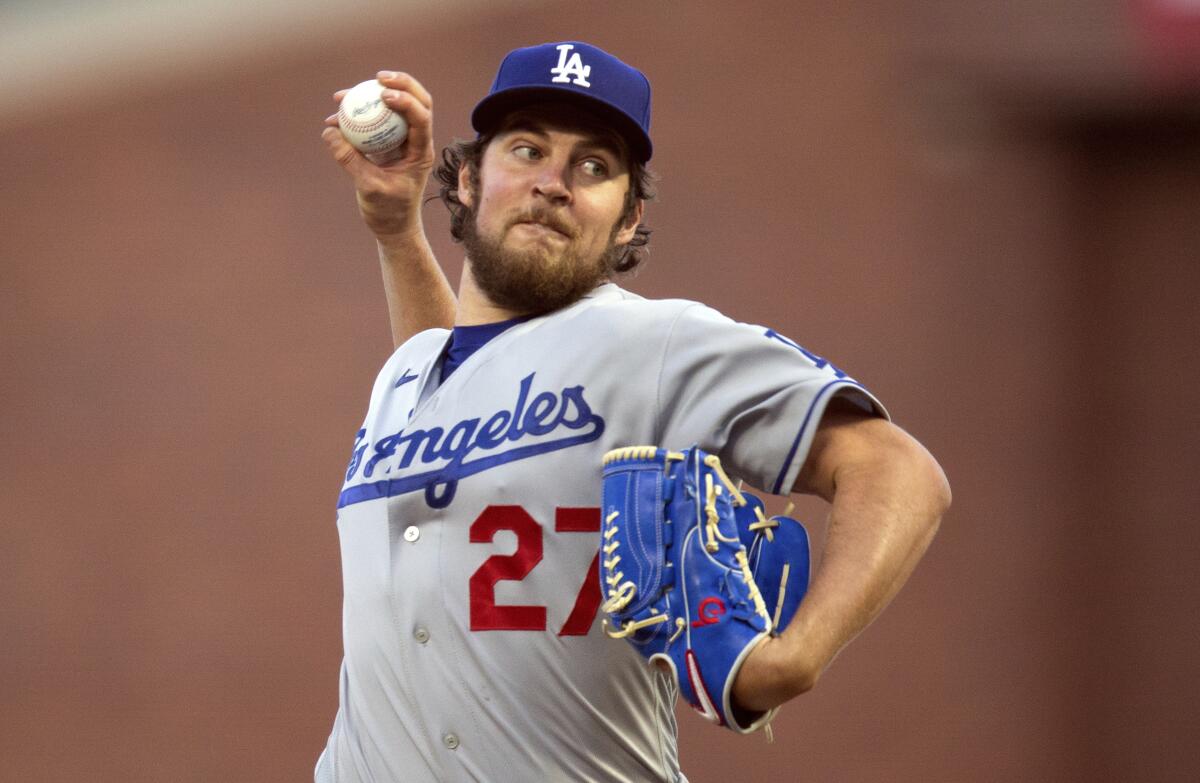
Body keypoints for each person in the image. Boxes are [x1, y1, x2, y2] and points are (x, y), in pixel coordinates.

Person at [317, 41, 950, 783]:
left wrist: (792, 659)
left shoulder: (655, 343)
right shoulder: (410, 374)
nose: (553, 183)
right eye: (526, 150)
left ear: (628, 218)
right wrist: (397, 233)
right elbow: (460, 379)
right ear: (464, 180)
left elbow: (899, 469)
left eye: (593, 167)